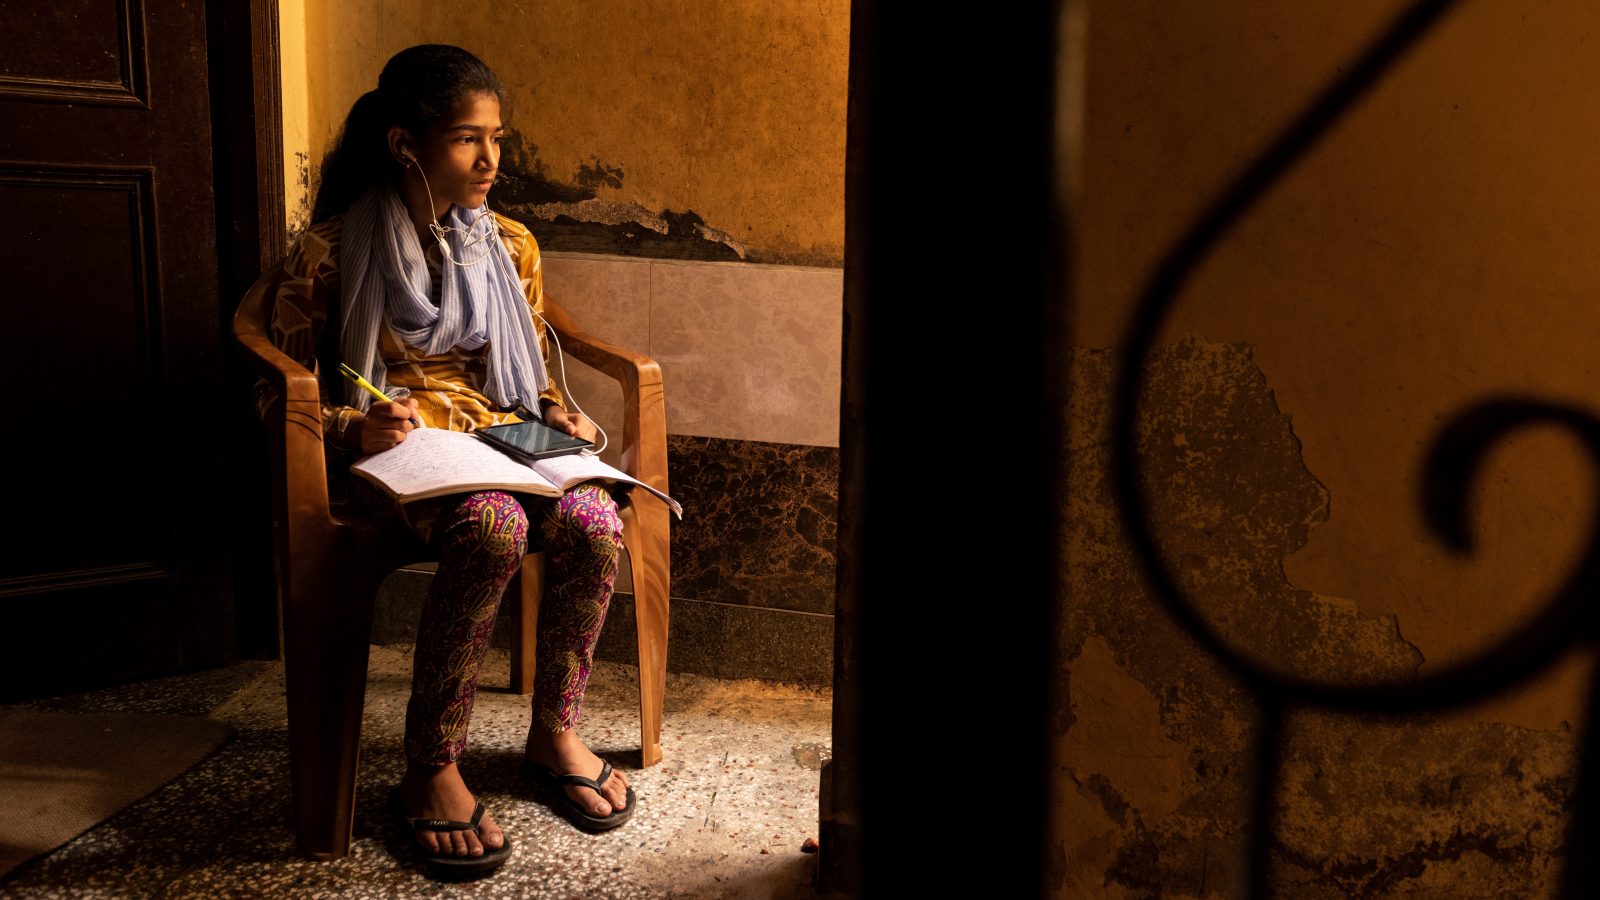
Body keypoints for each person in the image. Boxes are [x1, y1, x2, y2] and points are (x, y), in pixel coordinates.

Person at [266, 44, 633, 877]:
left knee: (593, 519)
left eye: (498, 138)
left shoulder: (510, 246)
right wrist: (347, 424)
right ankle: (431, 765)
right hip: (405, 452)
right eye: (469, 139)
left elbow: (528, 370)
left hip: (503, 437)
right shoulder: (327, 254)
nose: (492, 160)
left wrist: (554, 411)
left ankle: (554, 733)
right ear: (405, 145)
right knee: (494, 529)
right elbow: (270, 392)